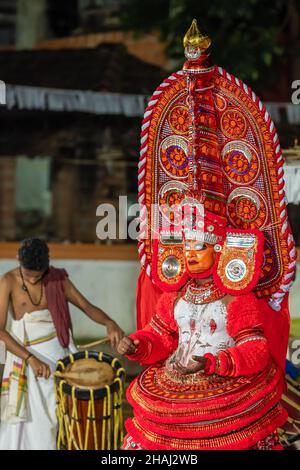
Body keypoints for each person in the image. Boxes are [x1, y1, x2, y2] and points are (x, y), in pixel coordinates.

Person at [117, 20, 296, 450]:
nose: (190, 254)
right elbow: (162, 336)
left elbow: (255, 354)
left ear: (221, 250)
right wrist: (136, 344)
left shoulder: (239, 299)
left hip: (223, 388)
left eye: (200, 246)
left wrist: (215, 363)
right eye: (185, 244)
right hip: (175, 385)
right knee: (144, 428)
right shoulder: (175, 295)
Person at [0, 238, 124, 450]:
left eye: (38, 276)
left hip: (61, 358)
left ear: (47, 267)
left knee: (63, 420)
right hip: (27, 360)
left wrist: (109, 323)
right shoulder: (8, 281)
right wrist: (30, 359)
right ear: (18, 260)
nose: (32, 280)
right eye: (28, 275)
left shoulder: (58, 280)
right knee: (34, 426)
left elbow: (86, 306)